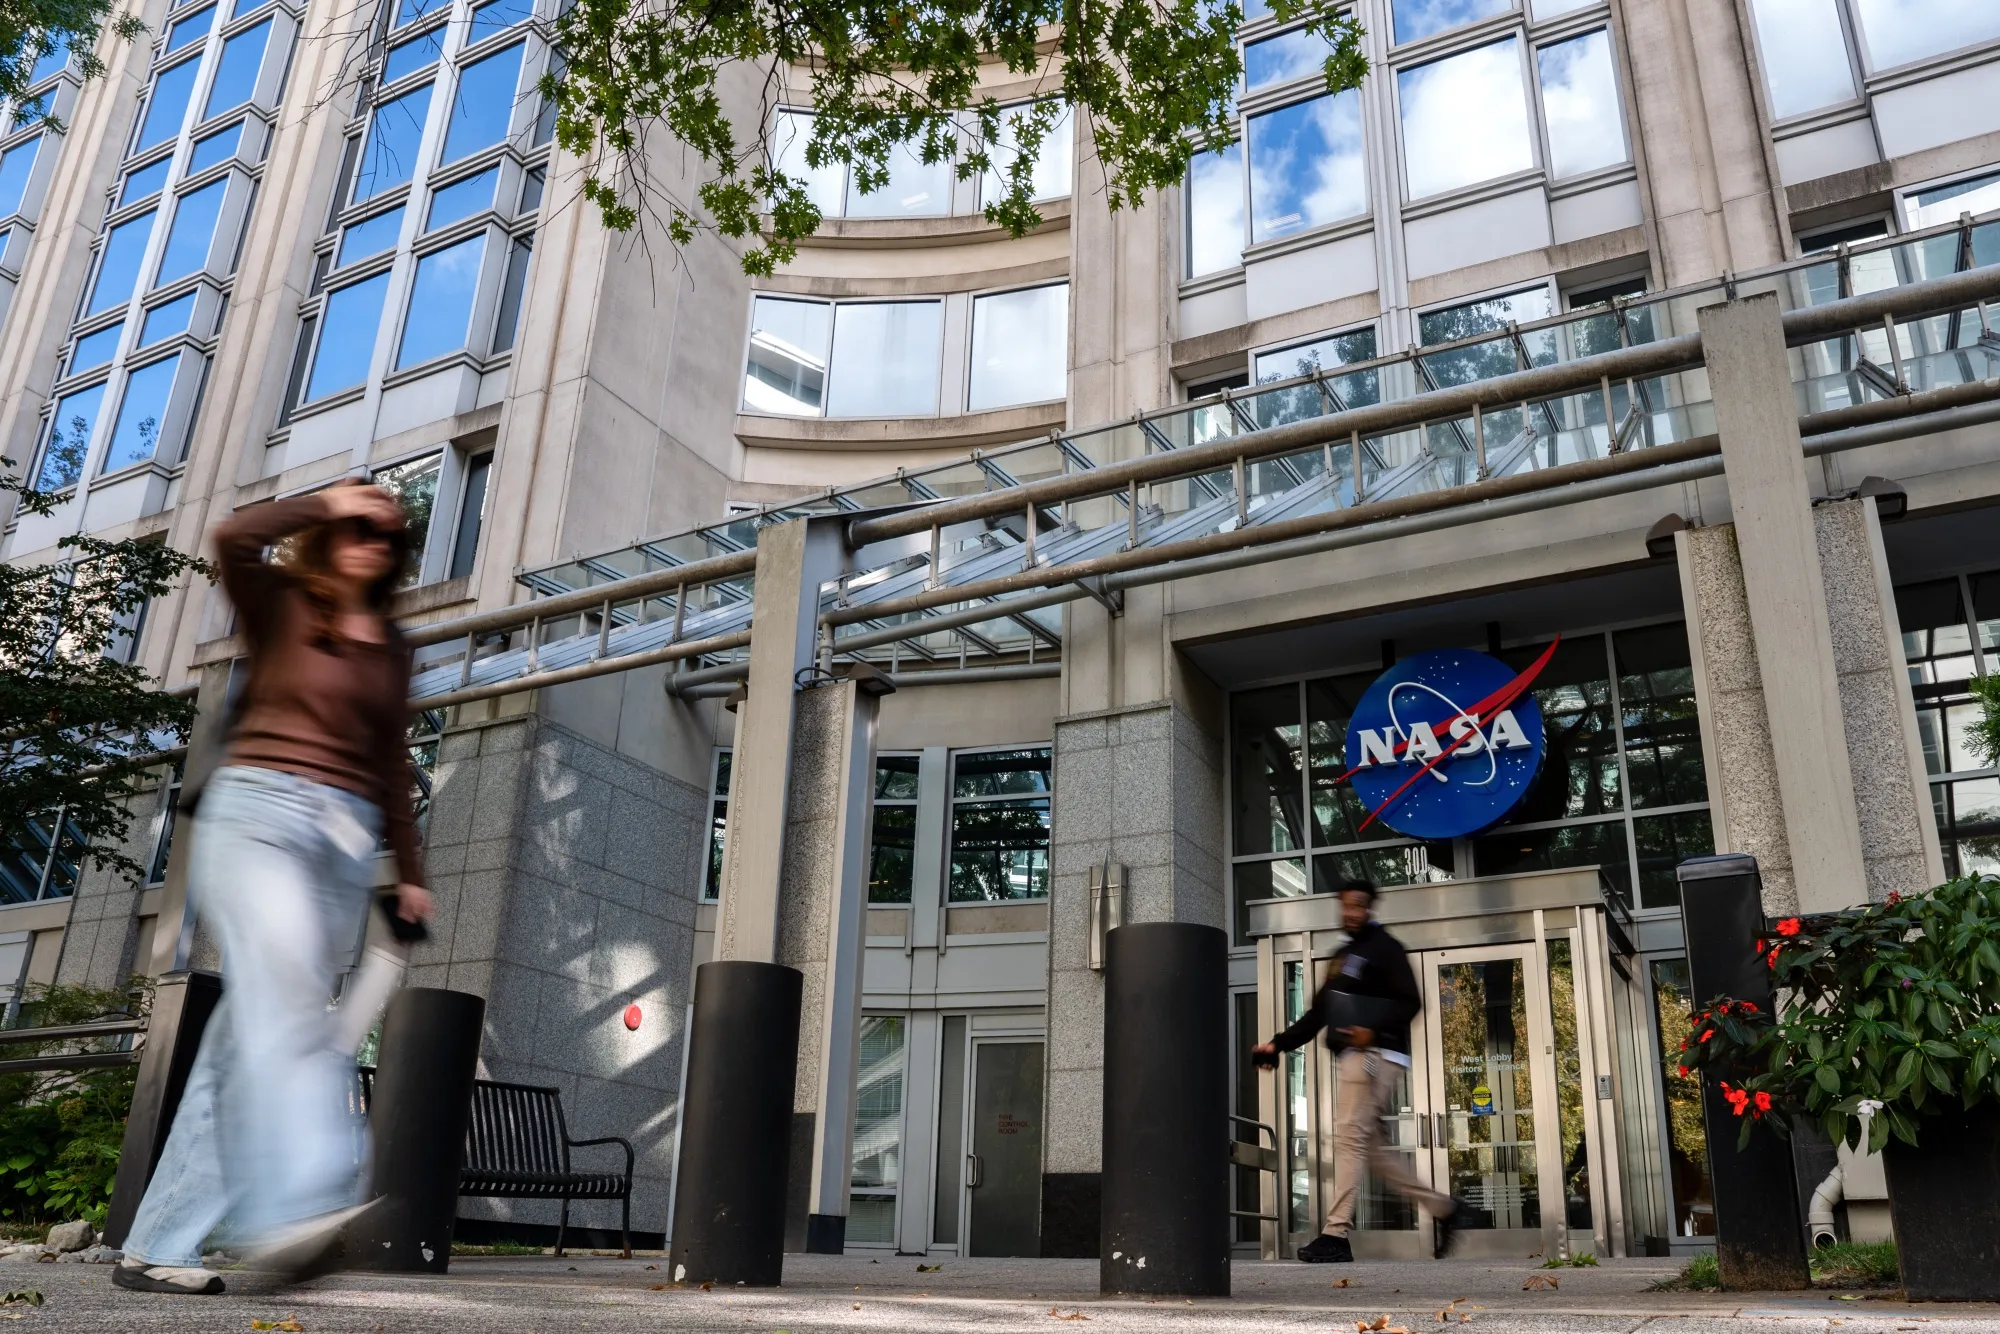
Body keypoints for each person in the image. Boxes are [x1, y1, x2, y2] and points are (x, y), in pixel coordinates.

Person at [116, 481, 432, 1296]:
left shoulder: (393, 646)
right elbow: (231, 536)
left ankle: (156, 1246)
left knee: (243, 1044)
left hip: (344, 844)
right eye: (358, 529)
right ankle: (297, 1207)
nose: (371, 543)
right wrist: (327, 500)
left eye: (387, 537)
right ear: (330, 535)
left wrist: (411, 875)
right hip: (257, 814)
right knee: (290, 1006)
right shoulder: (283, 603)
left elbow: (391, 762)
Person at [1253, 879, 1463, 1264]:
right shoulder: (1343, 956)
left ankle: (1336, 1234)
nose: (1351, 912)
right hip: (1356, 1055)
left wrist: (1373, 1031)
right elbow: (1319, 1013)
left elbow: (1411, 1002)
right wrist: (1277, 1045)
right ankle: (1444, 1208)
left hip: (1374, 1054)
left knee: (1349, 1137)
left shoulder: (1385, 948)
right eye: (1346, 905)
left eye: (1358, 906)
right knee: (1374, 1152)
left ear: (1370, 908)